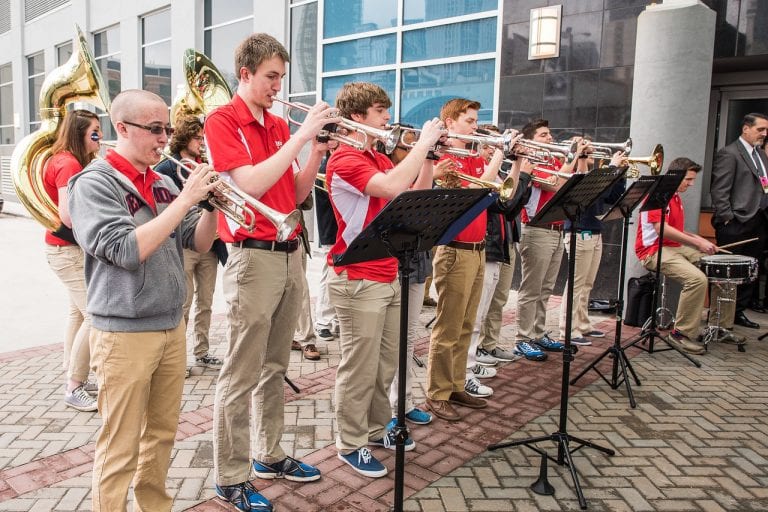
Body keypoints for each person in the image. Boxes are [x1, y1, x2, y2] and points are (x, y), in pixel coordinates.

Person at [68, 89, 220, 511]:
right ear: (123, 128)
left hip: (171, 326)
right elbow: (124, 250)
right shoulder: (93, 183)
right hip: (124, 333)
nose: (163, 137)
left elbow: (199, 242)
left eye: (166, 128)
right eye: (155, 129)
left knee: (162, 436)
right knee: (120, 445)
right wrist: (187, 198)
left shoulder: (163, 180)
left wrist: (210, 206)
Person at [205, 33, 337, 511]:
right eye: (271, 77)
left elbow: (297, 193)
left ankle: (270, 454)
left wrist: (316, 151)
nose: (279, 86)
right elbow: (249, 184)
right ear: (245, 74)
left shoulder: (280, 125)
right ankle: (230, 475)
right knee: (241, 371)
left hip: (288, 250)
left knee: (277, 366)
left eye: (282, 77)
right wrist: (302, 136)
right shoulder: (222, 121)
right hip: (251, 255)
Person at [327, 81, 443, 477]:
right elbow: (392, 187)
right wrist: (422, 145)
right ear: (358, 116)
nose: (387, 118)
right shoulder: (344, 159)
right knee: (359, 367)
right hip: (357, 277)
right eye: (380, 111)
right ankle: (349, 441)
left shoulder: (375, 156)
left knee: (386, 364)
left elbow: (414, 195)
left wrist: (428, 159)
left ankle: (376, 429)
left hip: (387, 271)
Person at [425, 98, 503, 422]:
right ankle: (437, 393)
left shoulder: (471, 155)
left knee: (467, 324)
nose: (475, 126)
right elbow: (475, 191)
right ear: (451, 123)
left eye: (475, 120)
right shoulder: (448, 157)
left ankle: (456, 383)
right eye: (469, 121)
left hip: (477, 249)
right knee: (448, 327)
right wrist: (500, 154)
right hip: (455, 251)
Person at [635, 157, 731, 354]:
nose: (691, 184)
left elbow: (676, 230)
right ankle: (680, 334)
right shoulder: (658, 194)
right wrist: (697, 242)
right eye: (688, 179)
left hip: (674, 247)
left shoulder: (675, 196)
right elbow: (661, 229)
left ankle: (719, 327)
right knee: (697, 280)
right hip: (652, 251)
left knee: (723, 268)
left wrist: (698, 238)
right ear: (676, 176)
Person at [155, 114, 226, 375]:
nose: (202, 142)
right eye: (198, 138)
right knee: (182, 303)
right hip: (184, 244)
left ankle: (202, 352)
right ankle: (178, 358)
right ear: (185, 138)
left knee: (205, 303)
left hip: (210, 244)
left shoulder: (206, 165)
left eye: (204, 138)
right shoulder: (166, 168)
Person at [42, 107, 101, 412]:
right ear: (80, 133)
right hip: (68, 251)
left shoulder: (63, 158)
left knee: (77, 314)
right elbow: (68, 213)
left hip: (62, 249)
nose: (100, 136)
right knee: (94, 314)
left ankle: (72, 373)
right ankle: (74, 385)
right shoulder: (68, 163)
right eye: (95, 131)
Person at [514, 120, 583, 361]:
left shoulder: (553, 161)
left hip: (556, 229)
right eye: (544, 135)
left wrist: (578, 158)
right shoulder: (530, 162)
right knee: (531, 288)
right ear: (531, 140)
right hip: (536, 230)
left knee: (545, 288)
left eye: (550, 133)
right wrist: (572, 156)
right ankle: (523, 338)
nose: (550, 138)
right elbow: (557, 185)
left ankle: (538, 332)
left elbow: (575, 183)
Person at [557, 144, 627, 345]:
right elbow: (590, 195)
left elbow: (612, 197)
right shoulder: (581, 177)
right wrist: (611, 169)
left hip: (595, 231)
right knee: (576, 283)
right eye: (586, 149)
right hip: (579, 232)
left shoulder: (597, 175)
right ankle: (567, 329)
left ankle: (582, 323)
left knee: (588, 283)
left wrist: (620, 174)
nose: (591, 152)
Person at [710, 112, 768, 329]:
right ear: (746, 129)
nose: (764, 133)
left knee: (751, 269)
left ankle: (738, 312)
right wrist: (727, 218)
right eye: (760, 129)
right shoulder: (730, 153)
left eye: (765, 130)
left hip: (759, 220)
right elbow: (719, 189)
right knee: (728, 271)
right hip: (736, 222)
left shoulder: (760, 155)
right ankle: (720, 317)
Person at [291, 192, 321, 361]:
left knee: (299, 290)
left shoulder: (294, 167)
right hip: (272, 238)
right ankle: (300, 338)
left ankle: (302, 337)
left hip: (297, 236)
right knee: (297, 291)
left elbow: (307, 204)